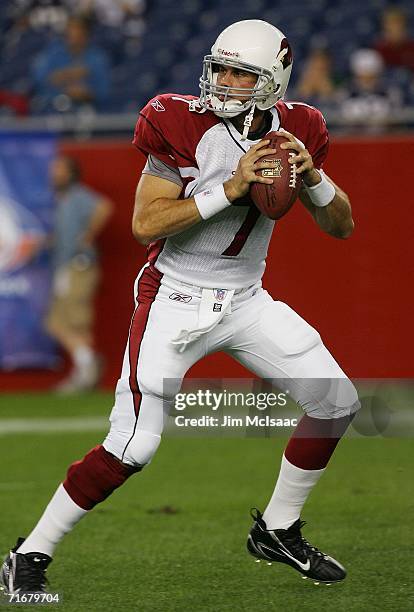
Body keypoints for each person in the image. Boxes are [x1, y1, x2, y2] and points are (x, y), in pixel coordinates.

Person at [1, 20, 360, 593]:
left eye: (241, 72)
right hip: (174, 294)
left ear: (274, 81)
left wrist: (313, 176)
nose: (223, 80)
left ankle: (277, 528)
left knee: (336, 400)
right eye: (219, 66)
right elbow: (147, 223)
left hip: (246, 299)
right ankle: (29, 554)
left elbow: (341, 226)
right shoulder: (177, 119)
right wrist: (230, 188)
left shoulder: (301, 127)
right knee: (133, 444)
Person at [44, 155, 113, 392]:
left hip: (78, 265)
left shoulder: (78, 196)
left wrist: (88, 236)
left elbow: (104, 206)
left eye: (59, 169)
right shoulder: (62, 200)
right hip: (66, 265)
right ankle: (85, 366)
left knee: (71, 321)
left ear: (71, 172)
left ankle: (86, 367)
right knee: (62, 322)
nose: (54, 173)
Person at [31, 15, 110, 113]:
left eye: (79, 33)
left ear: (86, 35)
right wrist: (67, 78)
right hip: (54, 107)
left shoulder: (97, 57)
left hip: (89, 108)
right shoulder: (52, 55)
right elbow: (39, 81)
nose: (75, 37)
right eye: (71, 32)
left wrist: (86, 93)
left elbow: (104, 91)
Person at [340, 48, 402, 128]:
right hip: (353, 137)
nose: (366, 80)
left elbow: (398, 117)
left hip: (384, 136)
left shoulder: (389, 92)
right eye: (362, 76)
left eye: (371, 76)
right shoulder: (345, 93)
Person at [375, 7, 414, 72]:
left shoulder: (411, 46)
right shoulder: (379, 48)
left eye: (397, 23)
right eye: (391, 24)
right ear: (385, 27)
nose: (395, 28)